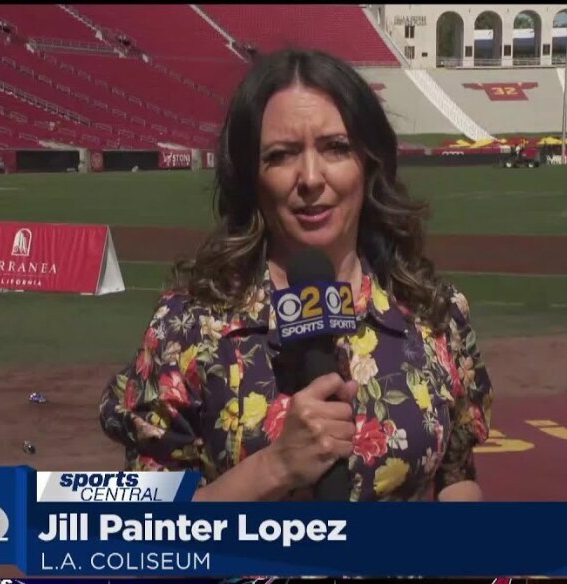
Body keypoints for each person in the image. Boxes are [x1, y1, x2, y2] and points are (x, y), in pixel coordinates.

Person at [98, 48, 493, 502]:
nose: (310, 178)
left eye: (335, 148)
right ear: (250, 177)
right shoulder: (187, 328)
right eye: (282, 155)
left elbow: (457, 477)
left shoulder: (434, 313)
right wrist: (276, 466)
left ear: (369, 162)